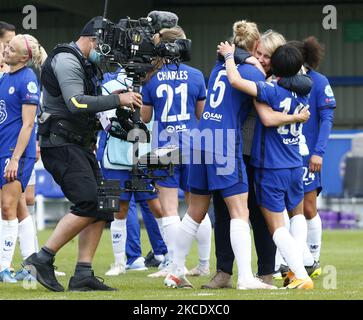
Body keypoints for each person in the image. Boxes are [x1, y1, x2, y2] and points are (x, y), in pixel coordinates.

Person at [22, 17, 143, 292]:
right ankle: (42, 258)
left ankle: (82, 274)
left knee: (106, 203)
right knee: (90, 201)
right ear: (92, 40)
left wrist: (119, 114)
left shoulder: (89, 64)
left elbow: (94, 106)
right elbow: (76, 102)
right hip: (61, 143)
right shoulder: (66, 59)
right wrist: (118, 99)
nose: (107, 52)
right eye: (105, 46)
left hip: (81, 144)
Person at [218, 40, 314, 289]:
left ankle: (300, 274)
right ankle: (301, 266)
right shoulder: (305, 91)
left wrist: (230, 56)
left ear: (276, 67)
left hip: (271, 167)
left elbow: (236, 82)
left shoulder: (270, 91)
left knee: (275, 226)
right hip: (295, 164)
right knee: (298, 215)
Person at [203, 27, 285, 289]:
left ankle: (266, 272)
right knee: (223, 210)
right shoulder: (244, 67)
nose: (261, 59)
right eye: (258, 53)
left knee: (262, 214)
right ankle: (223, 271)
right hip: (232, 149)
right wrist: (243, 58)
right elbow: (227, 52)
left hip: (262, 155)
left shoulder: (283, 81)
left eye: (267, 56)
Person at [141, 26, 212, 279]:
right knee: (198, 207)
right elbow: (201, 115)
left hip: (164, 147)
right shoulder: (196, 75)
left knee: (169, 209)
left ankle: (176, 266)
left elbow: (145, 116)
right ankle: (203, 264)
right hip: (193, 144)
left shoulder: (151, 78)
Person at [96, 67, 165, 275]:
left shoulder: (150, 83)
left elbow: (151, 120)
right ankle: (120, 261)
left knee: (157, 207)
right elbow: (105, 122)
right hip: (114, 158)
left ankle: (169, 256)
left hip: (143, 157)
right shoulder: (108, 86)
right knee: (118, 209)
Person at [289, 36, 336, 276]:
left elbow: (327, 119)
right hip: (284, 154)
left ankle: (313, 258)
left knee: (308, 208)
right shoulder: (283, 81)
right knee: (286, 209)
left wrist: (318, 153)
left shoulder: (318, 82)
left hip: (307, 156)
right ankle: (293, 260)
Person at [0, 34, 43, 282]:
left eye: (11, 49)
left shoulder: (28, 80)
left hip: (16, 153)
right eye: (7, 46)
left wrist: (15, 158)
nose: (6, 50)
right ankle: (29, 266)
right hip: (2, 150)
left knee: (9, 207)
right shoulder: (5, 78)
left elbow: (28, 125)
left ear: (24, 57)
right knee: (11, 208)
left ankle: (4, 267)